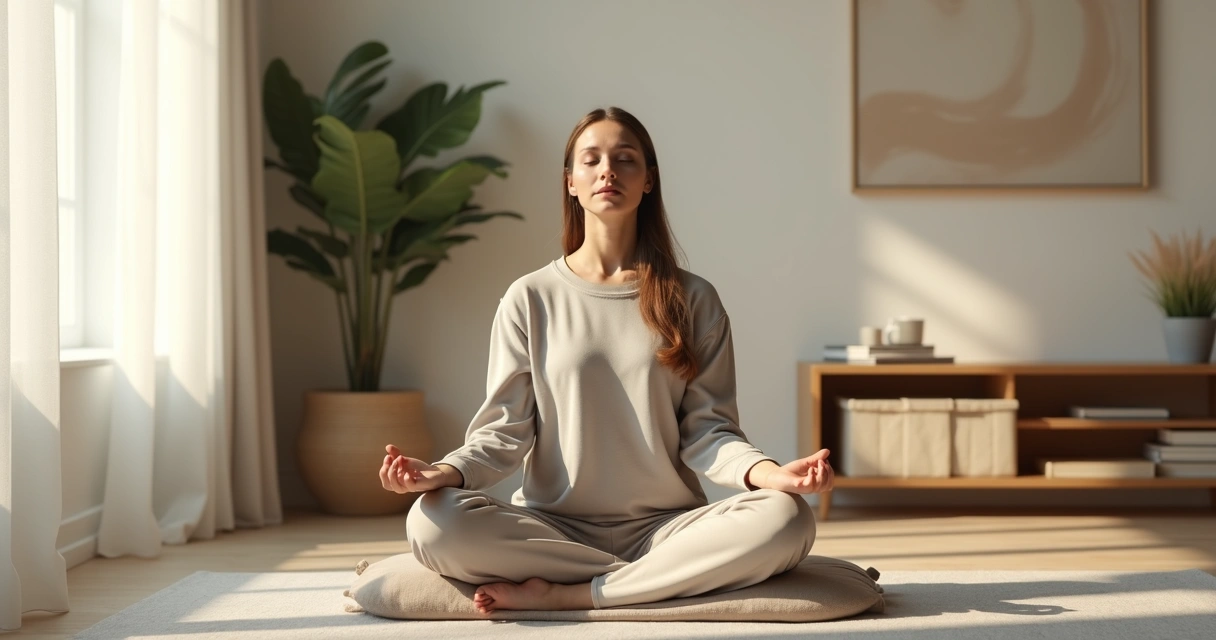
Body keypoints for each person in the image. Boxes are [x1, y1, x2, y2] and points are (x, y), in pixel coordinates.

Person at [378, 106, 834, 615]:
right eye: (591, 160)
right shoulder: (530, 297)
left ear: (648, 181)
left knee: (787, 519)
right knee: (431, 520)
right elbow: (503, 434)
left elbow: (710, 432)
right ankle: (657, 583)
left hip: (669, 529)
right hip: (553, 531)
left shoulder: (693, 298)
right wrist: (441, 472)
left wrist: (771, 475)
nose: (607, 171)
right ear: (570, 182)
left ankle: (574, 593)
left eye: (625, 159)